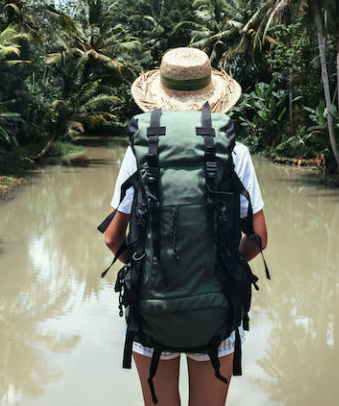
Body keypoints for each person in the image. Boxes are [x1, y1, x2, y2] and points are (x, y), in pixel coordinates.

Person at [102, 47, 268, 406]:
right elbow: (258, 238)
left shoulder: (141, 150)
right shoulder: (234, 151)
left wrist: (146, 265)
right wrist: (224, 263)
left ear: (158, 97)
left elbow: (113, 237)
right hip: (216, 310)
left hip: (150, 309)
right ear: (215, 96)